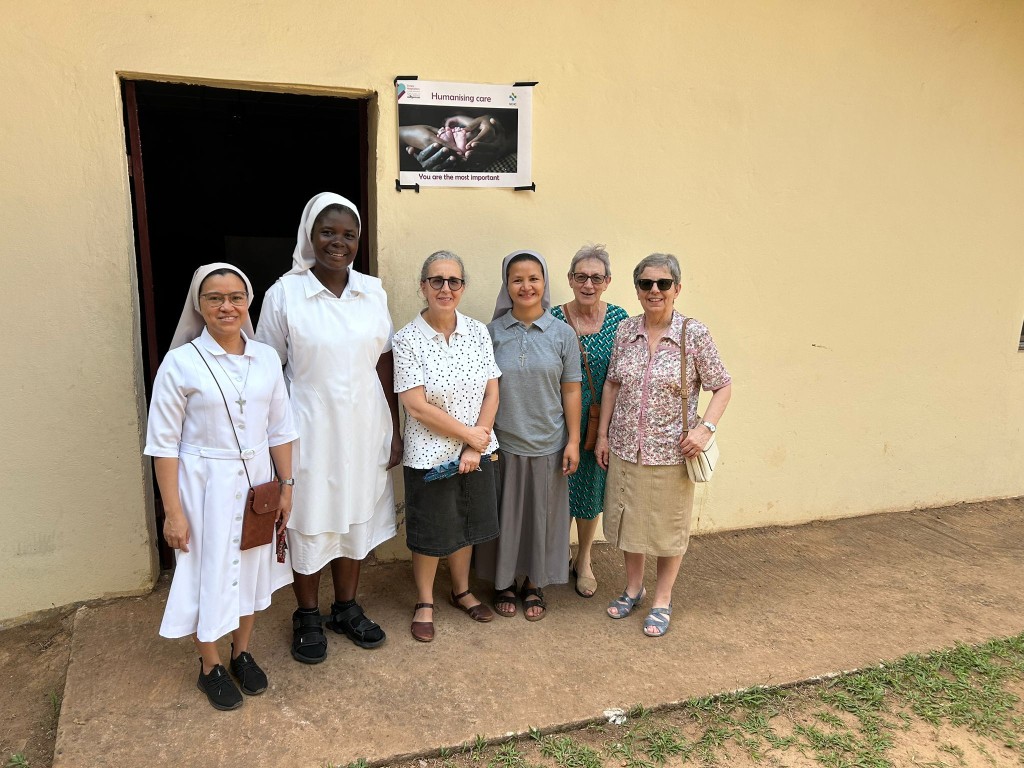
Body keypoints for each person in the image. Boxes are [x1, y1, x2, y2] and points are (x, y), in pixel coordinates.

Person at [256, 193, 403, 663]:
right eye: (328, 232)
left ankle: (345, 607)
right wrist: (268, 440)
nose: (338, 242)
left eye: (348, 234)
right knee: (309, 518)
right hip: (308, 429)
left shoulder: (371, 291)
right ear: (309, 235)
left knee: (354, 513)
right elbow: (265, 369)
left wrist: (394, 429)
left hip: (364, 425)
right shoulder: (286, 293)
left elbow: (384, 361)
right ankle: (307, 615)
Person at [145, 263, 297, 710]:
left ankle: (241, 651)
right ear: (200, 304)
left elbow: (281, 430)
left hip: (257, 484)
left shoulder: (267, 357)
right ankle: (209, 665)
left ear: (247, 302)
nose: (226, 306)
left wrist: (286, 487)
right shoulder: (181, 363)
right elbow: (163, 445)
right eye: (215, 298)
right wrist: (173, 512)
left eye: (235, 297)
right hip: (201, 487)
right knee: (204, 573)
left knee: (251, 569)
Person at [595, 253, 732, 637]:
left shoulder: (694, 334)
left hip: (672, 452)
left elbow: (722, 384)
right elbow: (612, 384)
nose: (654, 291)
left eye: (663, 284)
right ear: (637, 289)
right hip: (625, 447)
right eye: (646, 284)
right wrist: (603, 435)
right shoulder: (625, 330)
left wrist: (705, 429)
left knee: (669, 529)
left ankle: (662, 599)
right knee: (629, 523)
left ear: (677, 289)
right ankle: (633, 589)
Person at [393, 251, 501, 642]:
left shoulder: (477, 331)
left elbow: (492, 389)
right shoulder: (406, 339)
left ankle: (461, 591)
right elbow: (417, 405)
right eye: (436, 280)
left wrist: (477, 441)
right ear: (423, 286)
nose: (445, 288)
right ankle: (424, 600)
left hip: (478, 447)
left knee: (467, 524)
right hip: (429, 455)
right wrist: (468, 436)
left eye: (453, 281)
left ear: (463, 287)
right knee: (431, 530)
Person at [476, 250, 582, 621]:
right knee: (505, 518)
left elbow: (571, 389)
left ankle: (533, 583)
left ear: (544, 283)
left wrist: (572, 440)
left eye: (534, 278)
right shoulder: (491, 334)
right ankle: (503, 582)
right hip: (502, 443)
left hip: (548, 443)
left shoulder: (562, 333)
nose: (526, 286)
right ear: (507, 286)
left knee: (540, 517)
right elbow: (483, 389)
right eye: (517, 279)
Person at [550, 244, 629, 598]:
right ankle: (558, 552)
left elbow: (622, 374)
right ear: (570, 279)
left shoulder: (619, 320)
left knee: (591, 487)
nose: (588, 284)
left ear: (607, 281)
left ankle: (584, 558)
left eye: (596, 277)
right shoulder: (551, 316)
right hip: (557, 419)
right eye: (581, 276)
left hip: (600, 421)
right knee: (560, 488)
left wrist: (608, 432)